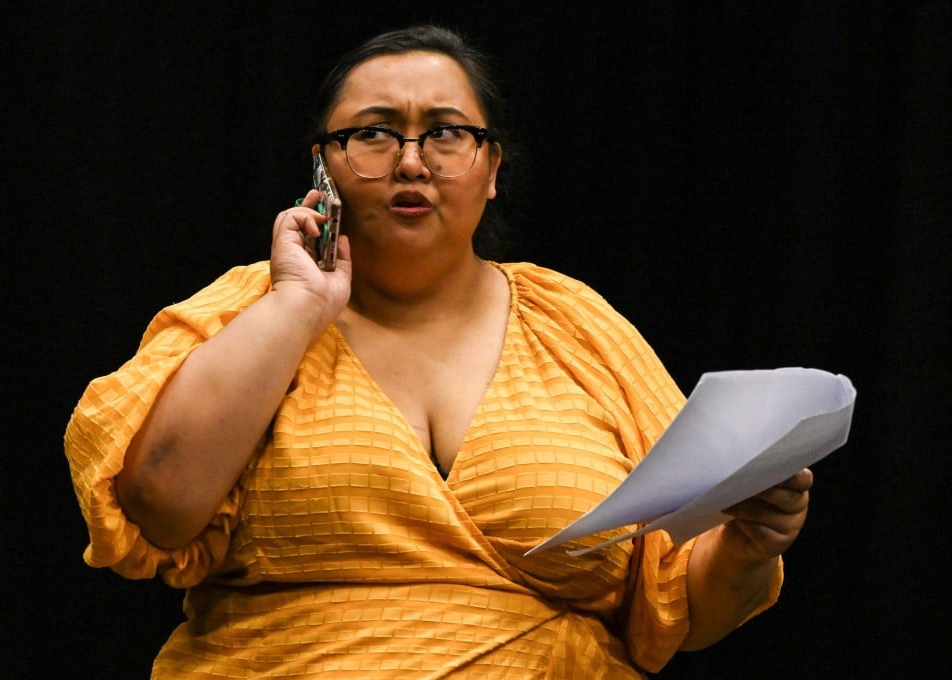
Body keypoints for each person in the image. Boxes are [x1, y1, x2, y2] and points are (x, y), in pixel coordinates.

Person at [64, 24, 814, 679]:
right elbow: (156, 506)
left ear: (492, 171)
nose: (412, 162)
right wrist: (298, 305)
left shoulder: (577, 324)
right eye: (374, 133)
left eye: (447, 132)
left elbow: (680, 600)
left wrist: (751, 540)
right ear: (323, 167)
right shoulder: (249, 309)